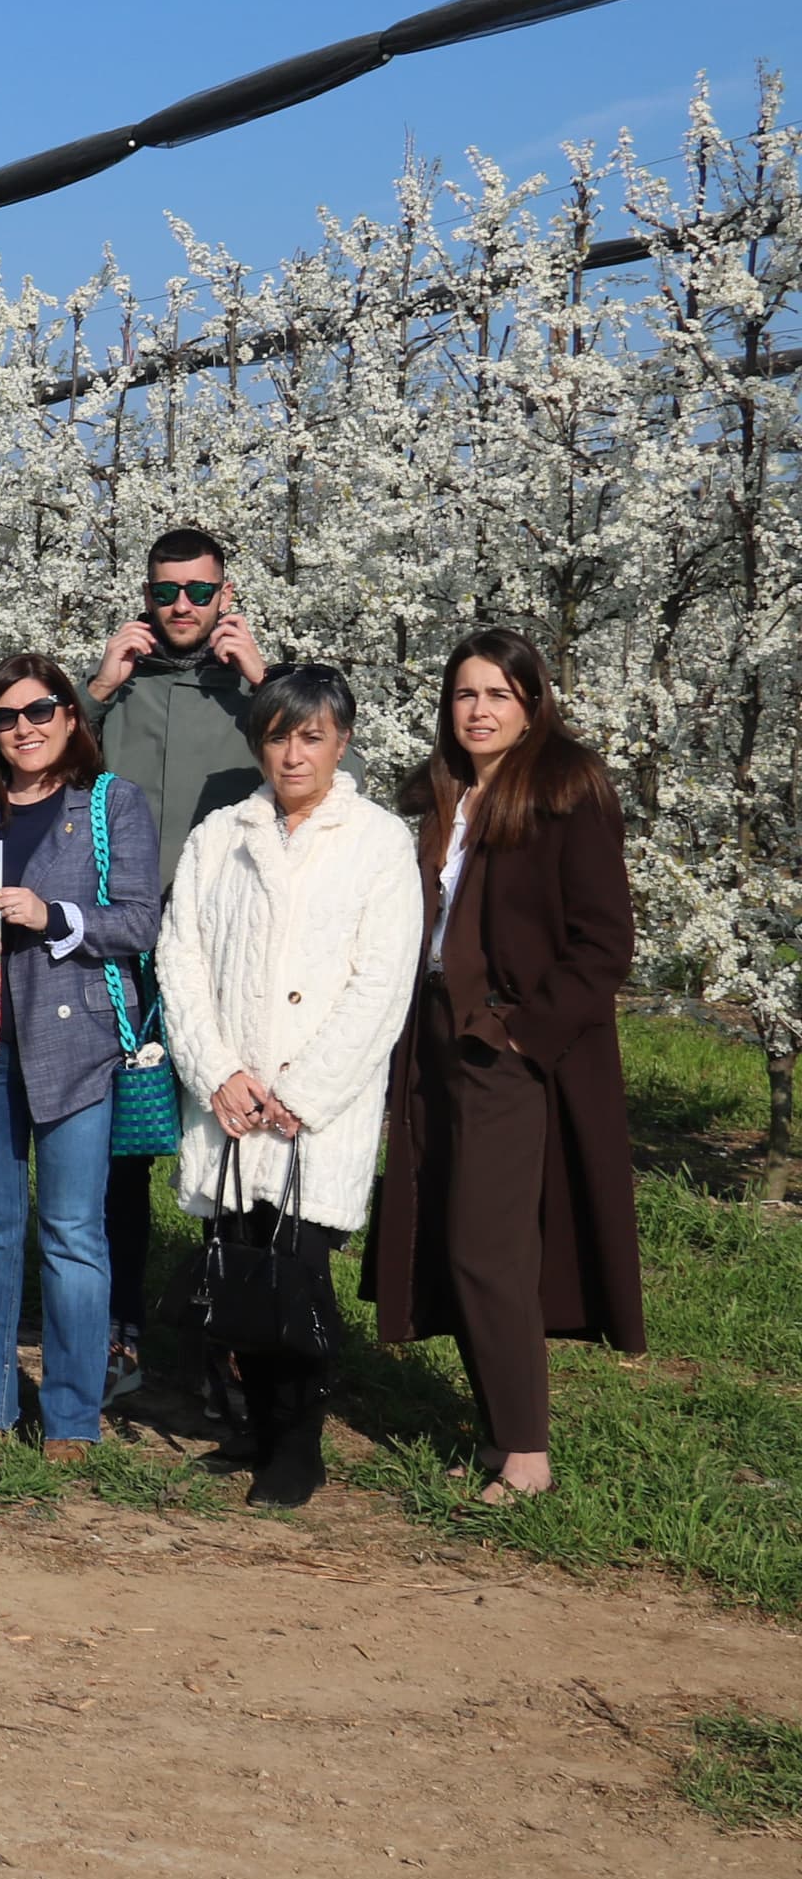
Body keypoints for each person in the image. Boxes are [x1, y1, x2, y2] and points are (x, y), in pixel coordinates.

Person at [369, 628, 642, 1509]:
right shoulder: (443, 793)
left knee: (490, 1246)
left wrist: (526, 1034)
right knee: (451, 1237)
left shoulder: (567, 787)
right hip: (434, 1035)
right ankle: (494, 1434)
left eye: (498, 694)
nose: (478, 710)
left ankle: (527, 1452)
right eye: (464, 695)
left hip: (507, 1045)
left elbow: (604, 940)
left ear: (532, 704)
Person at [153, 666, 421, 1506]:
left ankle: (297, 1444)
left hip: (315, 1111)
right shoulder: (219, 837)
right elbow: (181, 959)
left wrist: (302, 1092)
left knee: (297, 1274)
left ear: (341, 742)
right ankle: (253, 1428)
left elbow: (383, 984)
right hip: (232, 1101)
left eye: (312, 736)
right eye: (278, 735)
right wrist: (218, 1071)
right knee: (237, 1262)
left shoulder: (380, 843)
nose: (293, 754)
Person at [0, 654, 161, 1461]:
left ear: (71, 716)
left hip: (80, 1045)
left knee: (72, 1234)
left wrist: (51, 913)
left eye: (40, 711)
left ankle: (70, 1418)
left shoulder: (112, 804)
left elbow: (139, 922)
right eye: (5, 717)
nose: (23, 728)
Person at [82, 524, 266, 1397]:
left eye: (200, 591)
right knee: (123, 1151)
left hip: (227, 955)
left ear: (226, 595)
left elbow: (326, 768)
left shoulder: (260, 696)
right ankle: (117, 1332)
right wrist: (97, 689)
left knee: (223, 1141)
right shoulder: (115, 694)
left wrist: (267, 684)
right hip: (122, 955)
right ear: (145, 597)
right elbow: (33, 762)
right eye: (167, 592)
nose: (183, 606)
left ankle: (225, 1337)